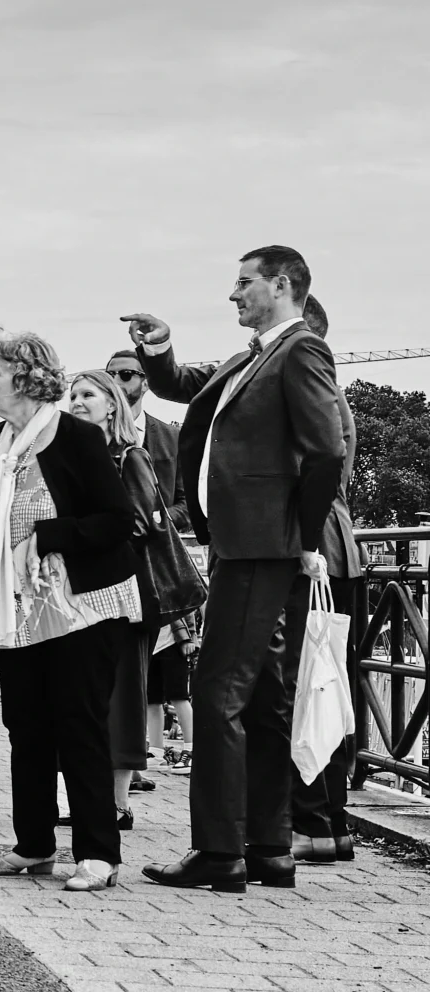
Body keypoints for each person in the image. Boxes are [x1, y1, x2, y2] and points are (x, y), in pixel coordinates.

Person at [128, 246, 345, 894]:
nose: (234, 294)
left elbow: (327, 450)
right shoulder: (258, 354)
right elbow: (186, 385)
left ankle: (221, 851)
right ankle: (270, 846)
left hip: (259, 548)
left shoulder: (300, 350)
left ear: (281, 284)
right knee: (265, 696)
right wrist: (159, 351)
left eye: (244, 282)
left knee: (218, 690)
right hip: (251, 545)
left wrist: (302, 538)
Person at [0, 329, 141, 893]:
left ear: (24, 376)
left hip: (82, 605)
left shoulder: (76, 438)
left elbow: (118, 522)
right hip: (18, 607)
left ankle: (98, 854)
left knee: (79, 722)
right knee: (25, 724)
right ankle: (34, 846)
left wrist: (50, 533)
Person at [65, 368, 164, 827]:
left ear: (111, 404)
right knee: (84, 696)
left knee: (122, 697)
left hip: (124, 594)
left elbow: (141, 524)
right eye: (73, 396)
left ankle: (117, 802)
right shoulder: (70, 457)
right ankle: (88, 797)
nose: (78, 402)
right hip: (77, 593)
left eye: (88, 394)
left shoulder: (130, 457)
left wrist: (80, 533)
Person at [290, 294, 364, 865]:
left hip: (308, 548)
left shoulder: (306, 381)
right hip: (341, 550)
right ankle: (331, 821)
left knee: (303, 686)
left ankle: (312, 821)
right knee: (330, 683)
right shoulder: (331, 390)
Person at [106, 346, 188, 773]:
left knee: (140, 671)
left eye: (128, 374)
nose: (120, 381)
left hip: (151, 567)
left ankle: (130, 768)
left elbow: (186, 503)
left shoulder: (169, 437)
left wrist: (157, 517)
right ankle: (121, 766)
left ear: (145, 381)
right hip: (103, 562)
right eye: (112, 374)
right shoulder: (89, 436)